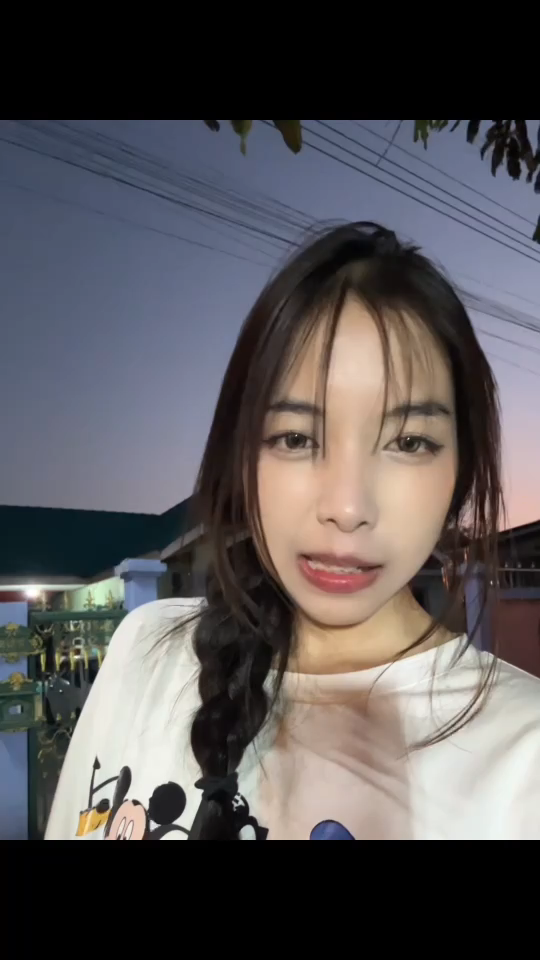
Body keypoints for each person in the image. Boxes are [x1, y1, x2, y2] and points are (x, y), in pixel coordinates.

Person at [45, 221, 540, 841]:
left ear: (460, 470)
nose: (347, 507)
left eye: (410, 442)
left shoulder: (525, 757)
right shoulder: (145, 653)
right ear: (242, 456)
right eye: (297, 438)